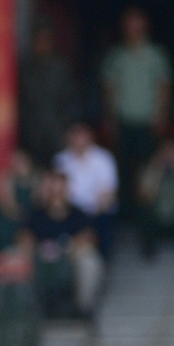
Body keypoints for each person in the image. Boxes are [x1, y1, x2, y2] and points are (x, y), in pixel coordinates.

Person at [101, 6, 172, 209]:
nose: (133, 28)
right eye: (129, 24)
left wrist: (162, 117)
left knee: (148, 172)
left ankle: (146, 220)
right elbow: (109, 89)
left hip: (148, 122)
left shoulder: (156, 54)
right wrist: (110, 118)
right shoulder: (116, 55)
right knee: (122, 171)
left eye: (137, 24)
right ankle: (125, 215)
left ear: (144, 26)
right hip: (123, 121)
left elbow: (164, 87)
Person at [27, 171, 105, 318]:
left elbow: (90, 236)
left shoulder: (77, 213)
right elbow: (24, 237)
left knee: (90, 261)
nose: (56, 194)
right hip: (40, 258)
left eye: (60, 190)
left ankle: (83, 309)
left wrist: (70, 245)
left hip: (69, 256)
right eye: (53, 190)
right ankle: (28, 311)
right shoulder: (36, 214)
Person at [54, 122, 120, 257]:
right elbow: (57, 188)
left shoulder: (104, 158)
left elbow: (109, 190)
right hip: (71, 209)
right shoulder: (61, 159)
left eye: (82, 139)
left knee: (103, 217)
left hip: (96, 209)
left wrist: (95, 208)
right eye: (75, 140)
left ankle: (102, 260)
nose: (78, 144)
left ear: (89, 139)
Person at [19, 21, 79, 165]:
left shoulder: (61, 66)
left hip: (57, 131)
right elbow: (22, 102)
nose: (42, 44)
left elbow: (71, 99)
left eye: (46, 40)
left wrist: (67, 128)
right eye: (39, 40)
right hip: (32, 132)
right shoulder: (26, 68)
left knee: (59, 170)